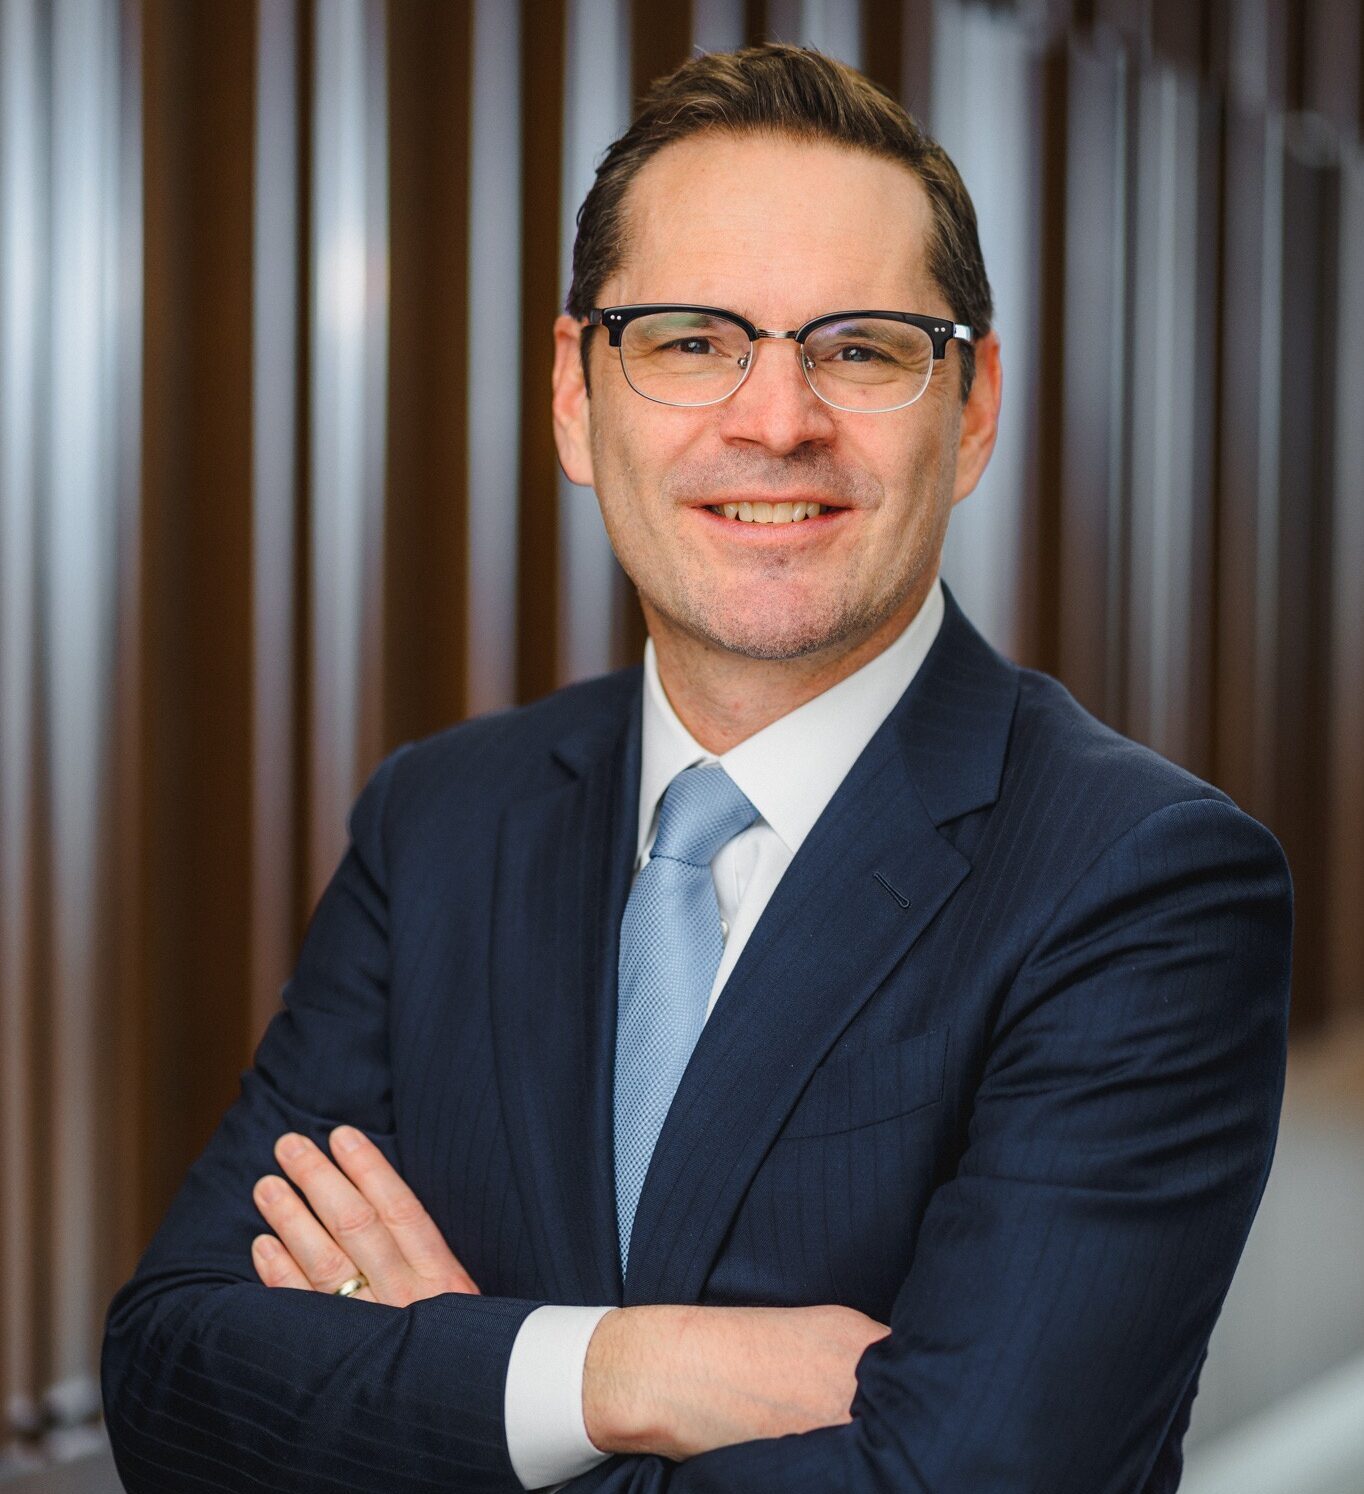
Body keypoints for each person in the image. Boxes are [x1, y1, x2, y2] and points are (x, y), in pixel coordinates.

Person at [101, 43, 1293, 1494]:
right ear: (573, 395)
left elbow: (969, 1478)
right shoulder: (444, 822)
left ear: (969, 410)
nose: (776, 418)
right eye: (688, 339)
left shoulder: (1144, 879)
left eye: (859, 346)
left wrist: (451, 1384)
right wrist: (635, 1370)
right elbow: (175, 1378)